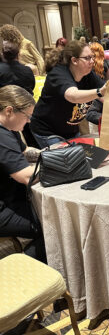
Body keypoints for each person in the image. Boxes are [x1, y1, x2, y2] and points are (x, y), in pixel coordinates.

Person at [0, 85, 46, 262]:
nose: (28, 122)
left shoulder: (8, 130)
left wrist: (48, 154)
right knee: (54, 227)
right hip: (3, 211)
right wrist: (63, 166)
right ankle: (24, 265)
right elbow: (27, 177)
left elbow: (25, 150)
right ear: (9, 110)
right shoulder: (2, 136)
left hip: (10, 199)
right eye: (27, 116)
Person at [30, 40, 106, 147]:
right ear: (74, 60)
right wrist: (99, 92)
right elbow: (73, 96)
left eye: (92, 57)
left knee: (80, 158)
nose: (92, 61)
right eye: (87, 58)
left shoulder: (88, 74)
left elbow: (107, 97)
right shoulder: (58, 74)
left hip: (70, 129)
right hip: (48, 131)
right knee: (66, 161)